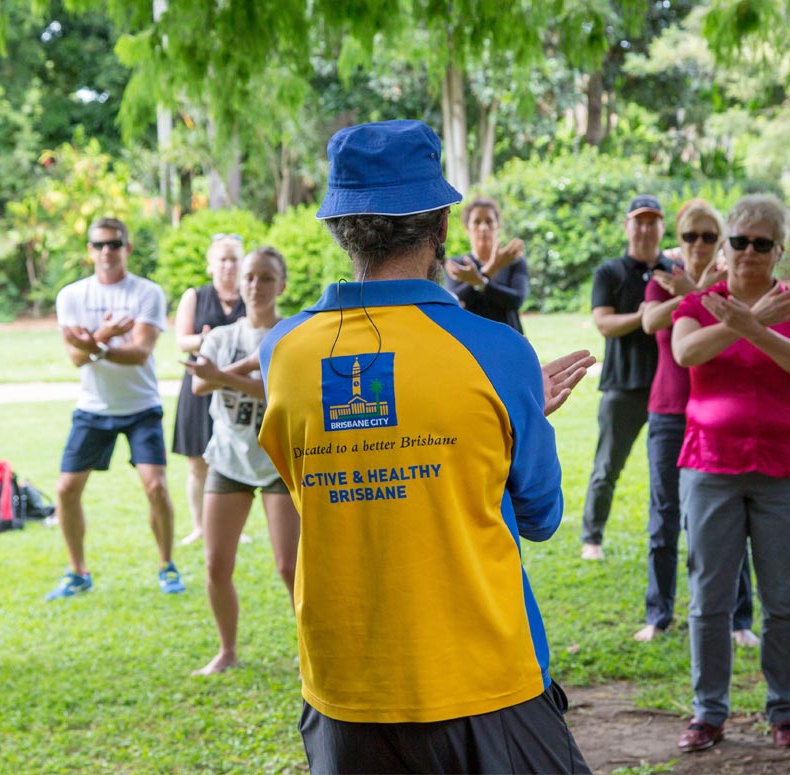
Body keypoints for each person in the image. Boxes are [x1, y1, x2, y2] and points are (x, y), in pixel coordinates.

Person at [257, 119, 594, 774]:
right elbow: (540, 514)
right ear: (442, 226)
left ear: (340, 229)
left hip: (346, 691)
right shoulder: (498, 353)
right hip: (485, 681)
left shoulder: (283, 353)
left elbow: (325, 481)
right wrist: (518, 415)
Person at [670, 194, 790, 753]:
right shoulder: (700, 302)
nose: (749, 252)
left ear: (779, 250)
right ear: (726, 245)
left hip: (785, 469)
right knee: (709, 600)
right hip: (710, 465)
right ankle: (708, 714)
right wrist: (750, 322)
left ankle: (784, 714)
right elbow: (687, 354)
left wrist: (750, 326)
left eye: (762, 243)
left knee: (783, 600)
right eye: (739, 241)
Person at [637, 199, 757, 648]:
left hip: (718, 412)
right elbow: (650, 321)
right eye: (691, 236)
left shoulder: (733, 285)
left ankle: (739, 619)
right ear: (680, 239)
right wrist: (693, 292)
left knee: (728, 516)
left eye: (709, 236)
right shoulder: (663, 280)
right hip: (669, 410)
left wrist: (703, 290)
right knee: (664, 515)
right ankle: (659, 614)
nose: (700, 244)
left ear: (721, 240)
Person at [46, 216, 185, 600]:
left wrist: (95, 343)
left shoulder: (147, 293)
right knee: (66, 489)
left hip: (141, 406)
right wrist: (105, 336)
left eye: (114, 243)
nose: (107, 251)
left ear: (127, 248)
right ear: (89, 250)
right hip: (93, 407)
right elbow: (76, 359)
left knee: (156, 486)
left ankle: (166, 565)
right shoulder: (72, 296)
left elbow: (140, 352)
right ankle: (78, 571)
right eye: (99, 244)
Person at [184, 246, 299, 675]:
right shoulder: (221, 336)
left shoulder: (290, 335)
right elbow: (199, 386)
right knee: (216, 565)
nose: (255, 285)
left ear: (281, 286)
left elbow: (280, 392)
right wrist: (226, 374)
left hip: (277, 461)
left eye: (266, 277)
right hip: (228, 460)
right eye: (249, 276)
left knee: (290, 566)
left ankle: (312, 651)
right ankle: (227, 650)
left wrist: (221, 376)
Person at [581, 194, 679, 560]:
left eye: (653, 222)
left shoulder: (675, 272)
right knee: (606, 467)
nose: (645, 229)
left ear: (662, 227)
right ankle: (591, 539)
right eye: (639, 221)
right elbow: (604, 323)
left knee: (667, 470)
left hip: (668, 387)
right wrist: (645, 316)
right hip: (622, 386)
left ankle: (672, 537)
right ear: (626, 226)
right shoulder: (610, 272)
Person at [172, 235, 246, 546]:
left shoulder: (250, 296)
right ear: (211, 264)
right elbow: (182, 340)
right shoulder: (195, 296)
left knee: (234, 457)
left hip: (236, 386)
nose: (228, 265)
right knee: (197, 461)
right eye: (222, 259)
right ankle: (199, 527)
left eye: (234, 259)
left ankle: (233, 528)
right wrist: (209, 339)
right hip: (199, 385)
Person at [443, 197, 528, 332]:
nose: (483, 227)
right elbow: (454, 302)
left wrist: (479, 282)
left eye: (489, 221)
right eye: (477, 222)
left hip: (509, 338)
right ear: (467, 228)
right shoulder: (457, 265)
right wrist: (491, 270)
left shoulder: (514, 261)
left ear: (498, 226)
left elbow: (516, 300)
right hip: (471, 339)